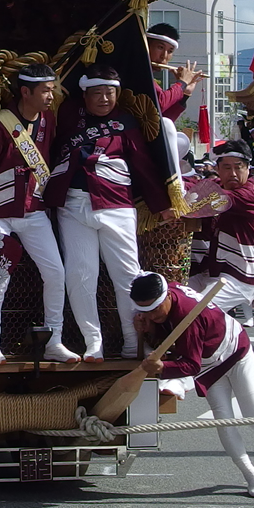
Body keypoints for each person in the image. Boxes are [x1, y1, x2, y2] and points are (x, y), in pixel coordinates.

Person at [46, 63, 175, 360]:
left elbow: (142, 164)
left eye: (110, 93)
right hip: (75, 204)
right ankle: (94, 342)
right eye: (98, 93)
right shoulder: (66, 115)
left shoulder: (126, 122)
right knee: (80, 275)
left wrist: (163, 204)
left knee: (128, 275)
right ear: (84, 94)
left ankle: (133, 340)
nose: (105, 99)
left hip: (117, 205)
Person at [132, 272, 254, 499]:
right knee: (224, 421)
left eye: (155, 309)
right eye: (146, 311)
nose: (152, 315)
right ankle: (252, 476)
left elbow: (190, 366)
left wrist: (161, 368)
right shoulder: (168, 292)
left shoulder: (188, 316)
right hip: (210, 366)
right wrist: (147, 328)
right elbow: (186, 355)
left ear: (167, 297)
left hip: (236, 351)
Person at [0, 63, 77, 364]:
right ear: (26, 92)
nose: (51, 96)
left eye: (52, 90)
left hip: (33, 211)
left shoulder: (48, 121)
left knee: (55, 272)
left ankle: (54, 339)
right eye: (46, 91)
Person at [188, 141, 254, 323]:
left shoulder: (249, 195)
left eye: (238, 167)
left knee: (196, 314)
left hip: (243, 273)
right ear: (217, 168)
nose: (232, 173)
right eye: (226, 167)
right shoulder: (220, 185)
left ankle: (232, 348)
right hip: (218, 268)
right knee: (176, 302)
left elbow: (198, 202)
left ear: (249, 168)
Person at [145, 23, 203, 120]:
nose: (164, 56)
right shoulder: (138, 72)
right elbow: (160, 103)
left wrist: (185, 93)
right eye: (160, 47)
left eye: (170, 51)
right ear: (147, 46)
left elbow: (164, 119)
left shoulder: (149, 76)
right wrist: (181, 83)